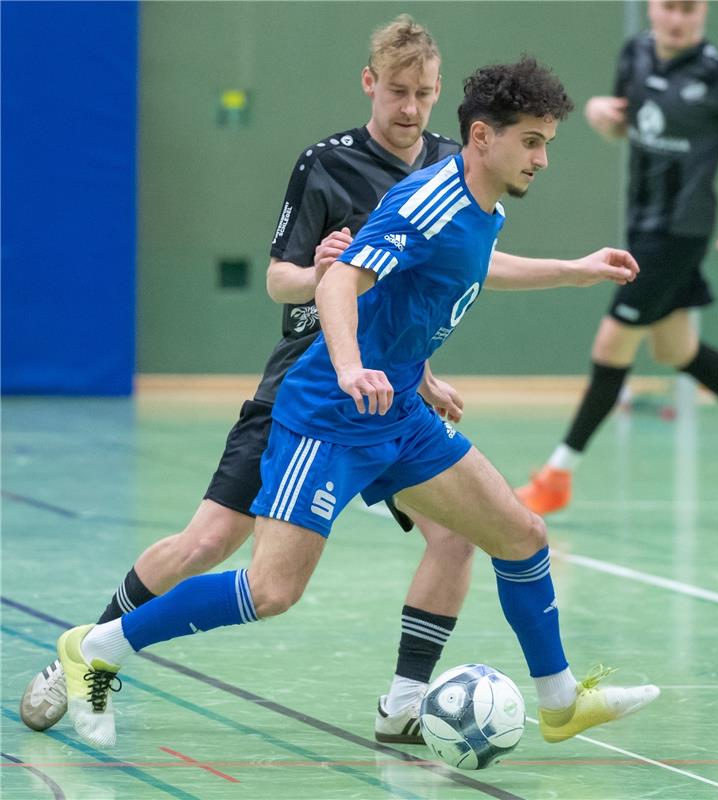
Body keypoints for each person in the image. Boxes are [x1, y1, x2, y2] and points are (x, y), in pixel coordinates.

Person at [20, 16, 643, 744]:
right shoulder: (425, 199)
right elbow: (338, 280)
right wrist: (349, 364)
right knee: (271, 588)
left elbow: (472, 268)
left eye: (546, 143)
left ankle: (560, 701)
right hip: (329, 416)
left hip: (400, 412)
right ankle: (96, 647)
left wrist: (576, 270)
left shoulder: (483, 202)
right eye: (532, 142)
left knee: (521, 535)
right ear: (485, 138)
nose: (542, 158)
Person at [516, 0, 718, 516]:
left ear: (702, 10)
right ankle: (557, 477)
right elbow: (624, 122)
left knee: (612, 343)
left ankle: (557, 475)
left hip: (679, 233)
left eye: (689, 8)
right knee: (677, 352)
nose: (677, 18)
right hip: (640, 227)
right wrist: (601, 117)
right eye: (668, 7)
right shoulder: (635, 54)